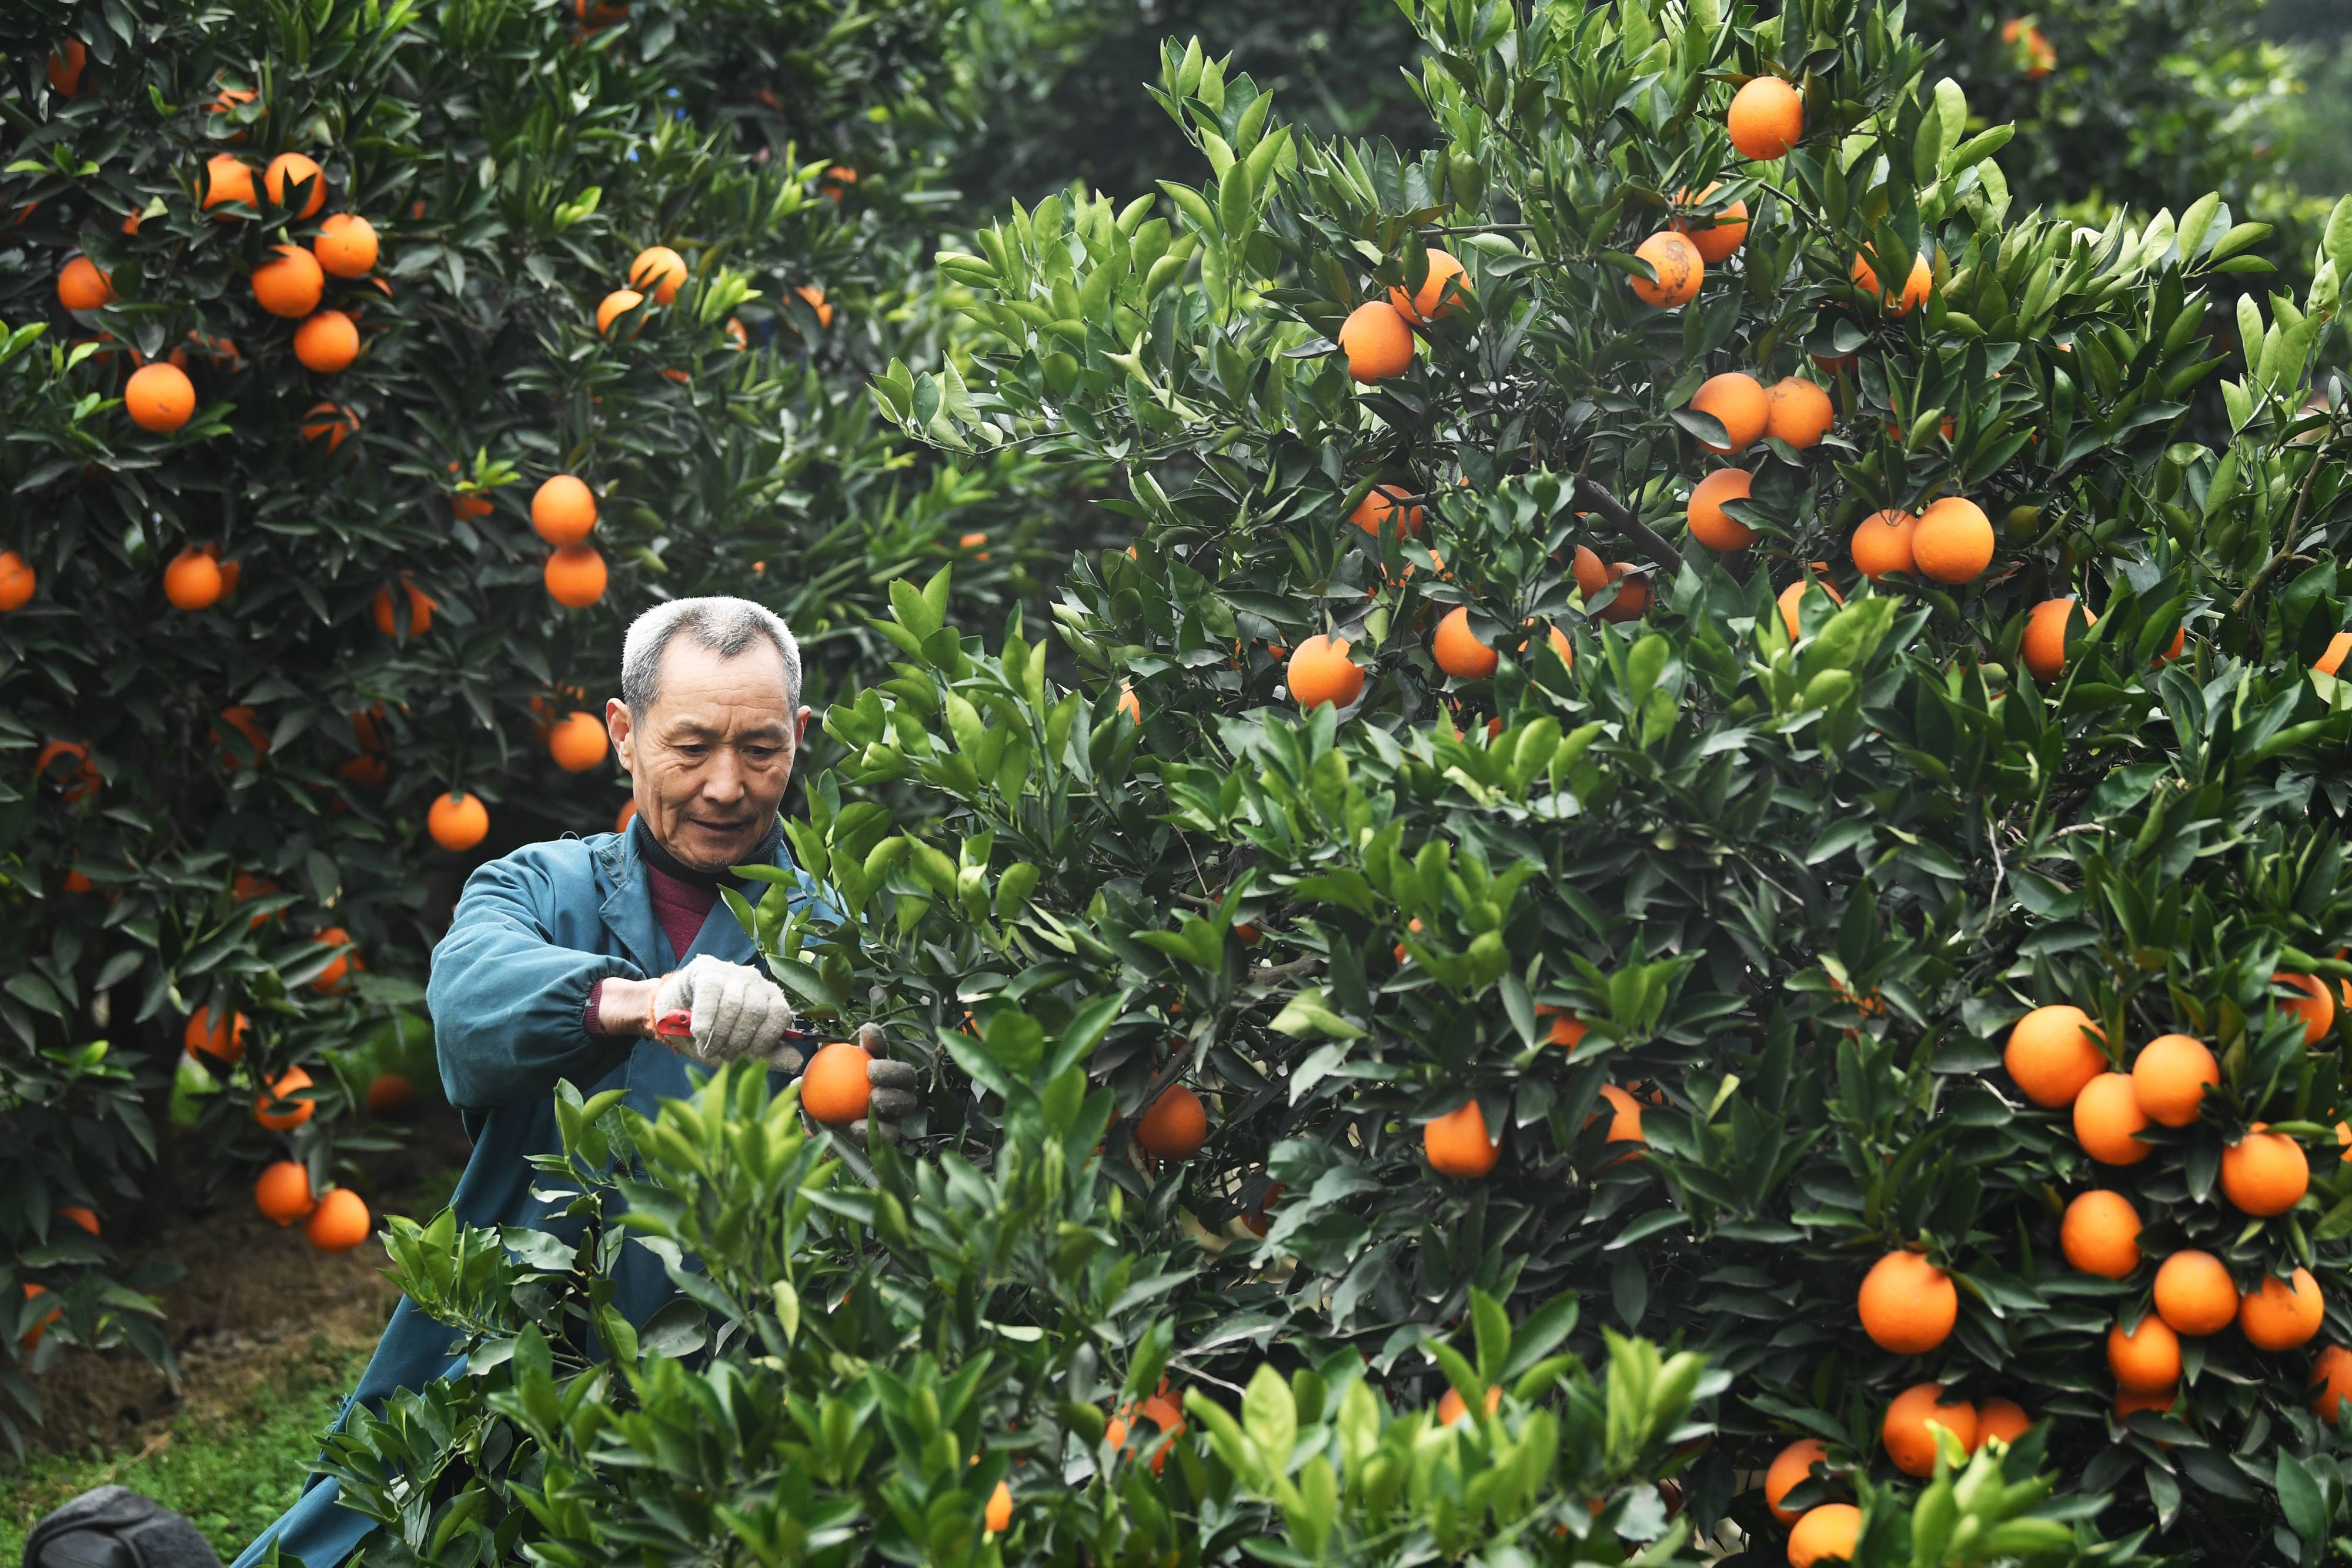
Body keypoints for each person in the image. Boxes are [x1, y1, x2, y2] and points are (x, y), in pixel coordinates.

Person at [231, 597, 917, 1567]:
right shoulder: (538, 889)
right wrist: (640, 1001)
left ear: (799, 739)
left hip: (744, 1382)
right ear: (624, 735)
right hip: (507, 1364)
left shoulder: (851, 937)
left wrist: (889, 1129)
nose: (727, 786)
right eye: (691, 747)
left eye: (761, 749)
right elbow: (468, 1014)